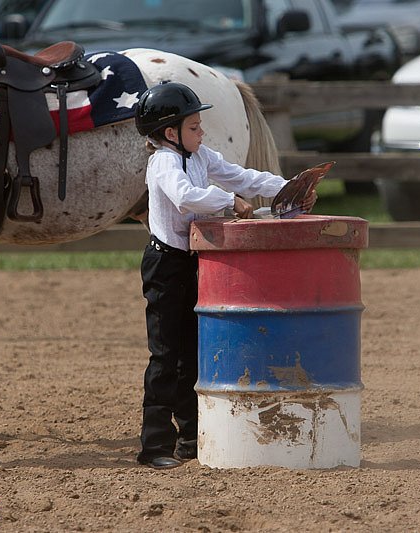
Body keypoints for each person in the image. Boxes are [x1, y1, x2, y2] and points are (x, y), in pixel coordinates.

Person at [133, 81, 315, 469]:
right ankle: (154, 446)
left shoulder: (199, 155)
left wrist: (287, 188)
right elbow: (185, 196)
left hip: (189, 262)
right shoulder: (163, 162)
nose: (201, 133)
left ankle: (187, 438)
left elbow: (241, 175)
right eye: (195, 127)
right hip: (165, 266)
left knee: (189, 354)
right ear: (171, 133)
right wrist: (228, 201)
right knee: (165, 354)